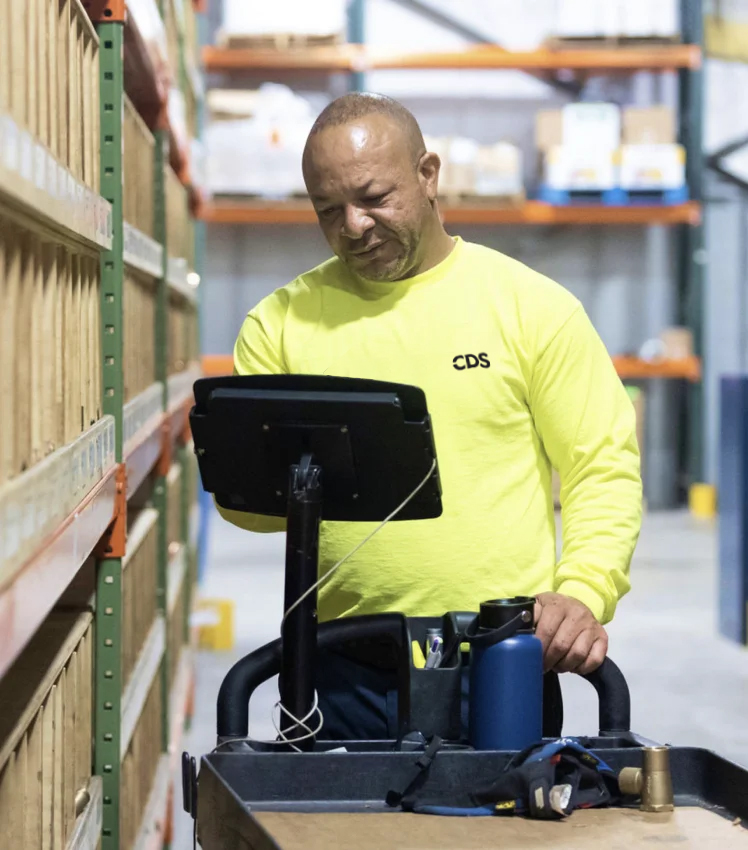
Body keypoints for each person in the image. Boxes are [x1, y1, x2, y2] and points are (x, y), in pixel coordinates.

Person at [217, 93, 643, 741]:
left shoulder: (531, 308)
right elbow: (248, 508)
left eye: (374, 197)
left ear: (428, 175)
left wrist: (582, 591)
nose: (354, 226)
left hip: (499, 661)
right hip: (337, 665)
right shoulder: (280, 324)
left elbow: (601, 466)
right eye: (328, 210)